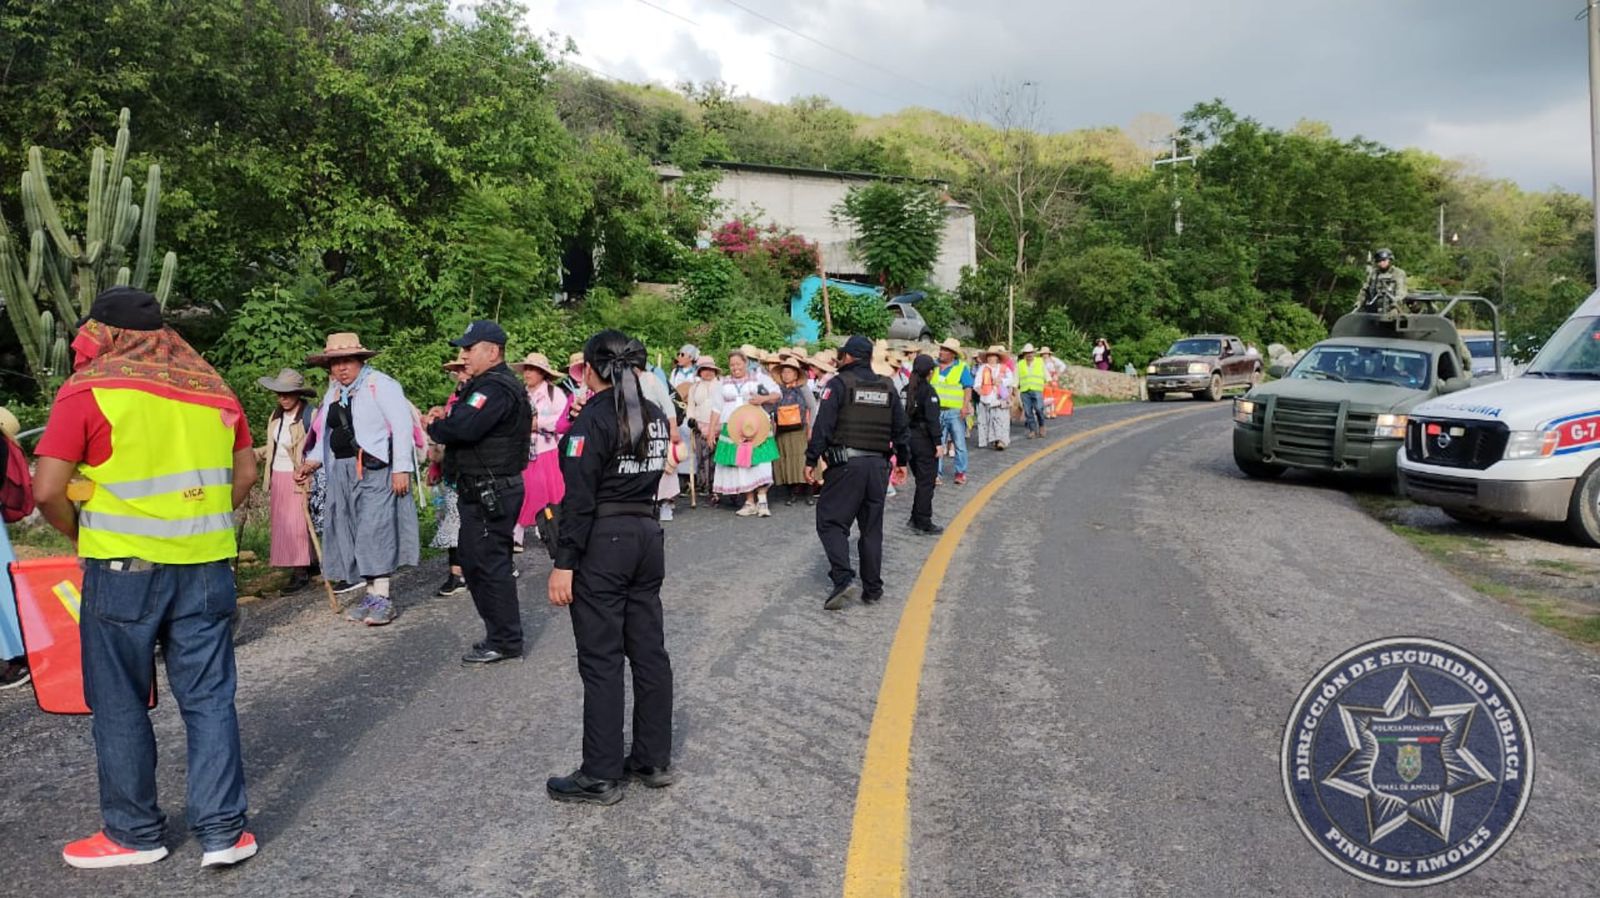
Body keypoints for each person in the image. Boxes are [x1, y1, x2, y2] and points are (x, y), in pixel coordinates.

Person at [32, 287, 260, 869]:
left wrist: (81, 535)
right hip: (206, 566)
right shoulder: (213, 390)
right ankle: (224, 833)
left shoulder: (87, 392)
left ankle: (134, 833)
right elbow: (246, 472)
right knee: (209, 700)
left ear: (102, 335)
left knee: (120, 702)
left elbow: (49, 489)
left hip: (123, 570)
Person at [546, 330, 674, 805]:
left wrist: (564, 563)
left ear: (590, 370)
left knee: (601, 659)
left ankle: (600, 773)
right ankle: (651, 758)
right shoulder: (655, 415)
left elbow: (578, 501)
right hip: (646, 533)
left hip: (605, 540)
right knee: (648, 651)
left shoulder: (594, 421)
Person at [425, 320, 533, 664]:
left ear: (492, 351)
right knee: (474, 562)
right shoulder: (485, 385)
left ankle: (505, 640)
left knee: (490, 563)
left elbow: (463, 427)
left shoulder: (495, 387)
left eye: (469, 349)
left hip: (493, 489)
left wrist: (436, 425)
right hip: (482, 488)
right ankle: (498, 634)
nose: (463, 355)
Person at [299, 333, 420, 626]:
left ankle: (383, 597)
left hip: (375, 468)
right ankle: (370, 593)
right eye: (335, 363)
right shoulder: (334, 393)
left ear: (360, 361)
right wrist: (312, 462)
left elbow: (402, 425)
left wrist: (401, 468)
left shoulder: (381, 385)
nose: (341, 368)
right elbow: (325, 433)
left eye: (347, 361)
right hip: (341, 469)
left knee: (373, 528)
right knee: (351, 528)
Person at [805, 335, 911, 610]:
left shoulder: (839, 384)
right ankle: (873, 588)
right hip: (878, 467)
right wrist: (903, 461)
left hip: (845, 466)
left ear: (849, 357)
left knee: (830, 522)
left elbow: (823, 426)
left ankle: (843, 578)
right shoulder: (887, 386)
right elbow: (900, 428)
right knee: (871, 529)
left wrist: (811, 459)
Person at [255, 368, 319, 591]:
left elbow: (319, 446)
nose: (282, 398)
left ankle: (300, 572)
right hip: (278, 475)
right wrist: (255, 454)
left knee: (297, 524)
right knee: (283, 523)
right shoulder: (276, 416)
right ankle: (308, 564)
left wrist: (309, 468)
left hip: (300, 475)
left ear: (298, 394)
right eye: (279, 394)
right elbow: (275, 446)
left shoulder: (310, 416)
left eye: (288, 394)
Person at [513, 352, 571, 552]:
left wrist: (538, 424)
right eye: (526, 369)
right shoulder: (520, 394)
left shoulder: (555, 394)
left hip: (548, 449)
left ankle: (550, 527)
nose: (527, 373)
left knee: (551, 491)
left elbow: (563, 421)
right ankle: (517, 534)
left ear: (542, 373)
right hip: (523, 450)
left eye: (532, 369)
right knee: (525, 491)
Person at [715, 350, 779, 516]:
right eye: (732, 364)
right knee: (741, 463)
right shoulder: (723, 382)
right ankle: (749, 501)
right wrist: (711, 429)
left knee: (760, 461)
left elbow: (776, 394)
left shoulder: (758, 379)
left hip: (755, 425)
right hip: (734, 427)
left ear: (745, 363)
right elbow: (716, 407)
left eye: (738, 363)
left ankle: (762, 500)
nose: (735, 367)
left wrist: (762, 399)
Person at [428, 352, 471, 596]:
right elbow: (444, 437)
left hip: (474, 469)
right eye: (458, 370)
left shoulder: (478, 396)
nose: (461, 374)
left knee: (468, 520)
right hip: (453, 468)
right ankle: (456, 573)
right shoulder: (455, 397)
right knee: (452, 519)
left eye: (464, 368)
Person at [904, 354, 944, 534]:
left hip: (908, 439)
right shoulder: (928, 391)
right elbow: (932, 420)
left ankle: (915, 517)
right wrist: (938, 442)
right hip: (923, 439)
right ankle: (923, 521)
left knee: (921, 480)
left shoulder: (906, 389)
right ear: (930, 372)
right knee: (926, 482)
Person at [771, 356, 818, 506]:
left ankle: (808, 492)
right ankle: (791, 493)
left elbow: (812, 407)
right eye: (784, 372)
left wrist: (811, 427)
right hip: (783, 431)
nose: (786, 375)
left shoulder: (803, 389)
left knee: (803, 460)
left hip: (800, 430)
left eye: (789, 372)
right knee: (786, 460)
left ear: (796, 374)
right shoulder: (777, 390)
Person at [932, 338, 973, 486]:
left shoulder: (961, 368)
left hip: (955, 412)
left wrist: (965, 406)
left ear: (952, 354)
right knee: (938, 443)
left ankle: (960, 473)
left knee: (959, 444)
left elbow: (967, 388)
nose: (941, 352)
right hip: (937, 411)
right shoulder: (934, 366)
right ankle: (936, 473)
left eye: (945, 350)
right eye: (941, 349)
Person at [684, 356, 722, 505]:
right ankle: (707, 487)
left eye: (710, 370)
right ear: (700, 372)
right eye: (704, 370)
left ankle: (718, 488)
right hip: (700, 426)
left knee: (717, 459)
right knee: (703, 458)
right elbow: (691, 407)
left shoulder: (721, 385)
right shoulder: (694, 388)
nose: (708, 373)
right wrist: (691, 419)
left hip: (719, 426)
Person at [975, 346, 1014, 450]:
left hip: (1000, 398)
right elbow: (977, 383)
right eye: (989, 356)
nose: (991, 358)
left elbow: (1011, 379)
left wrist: (1002, 382)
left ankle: (1001, 441)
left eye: (994, 356)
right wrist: (979, 390)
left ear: (997, 357)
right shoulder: (983, 368)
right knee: (986, 421)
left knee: (1001, 420)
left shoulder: (1004, 368)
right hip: (986, 398)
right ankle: (991, 440)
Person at [1356, 248, 1407, 316]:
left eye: (1384, 260)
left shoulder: (1398, 273)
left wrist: (1395, 306)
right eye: (1379, 261)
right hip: (1374, 310)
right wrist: (1359, 302)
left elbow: (1401, 293)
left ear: (1389, 260)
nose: (1381, 263)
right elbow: (1365, 290)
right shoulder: (1373, 274)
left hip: (1392, 309)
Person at [1015, 344, 1048, 439]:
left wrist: (1048, 382)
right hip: (1025, 390)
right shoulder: (1020, 364)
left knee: (1039, 409)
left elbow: (1046, 374)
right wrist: (1014, 388)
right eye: (1027, 353)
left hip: (1037, 389)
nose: (1029, 355)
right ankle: (1032, 430)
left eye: (1030, 353)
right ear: (1024, 354)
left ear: (1034, 353)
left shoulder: (1039, 362)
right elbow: (1016, 377)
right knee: (1028, 412)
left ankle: (1041, 426)